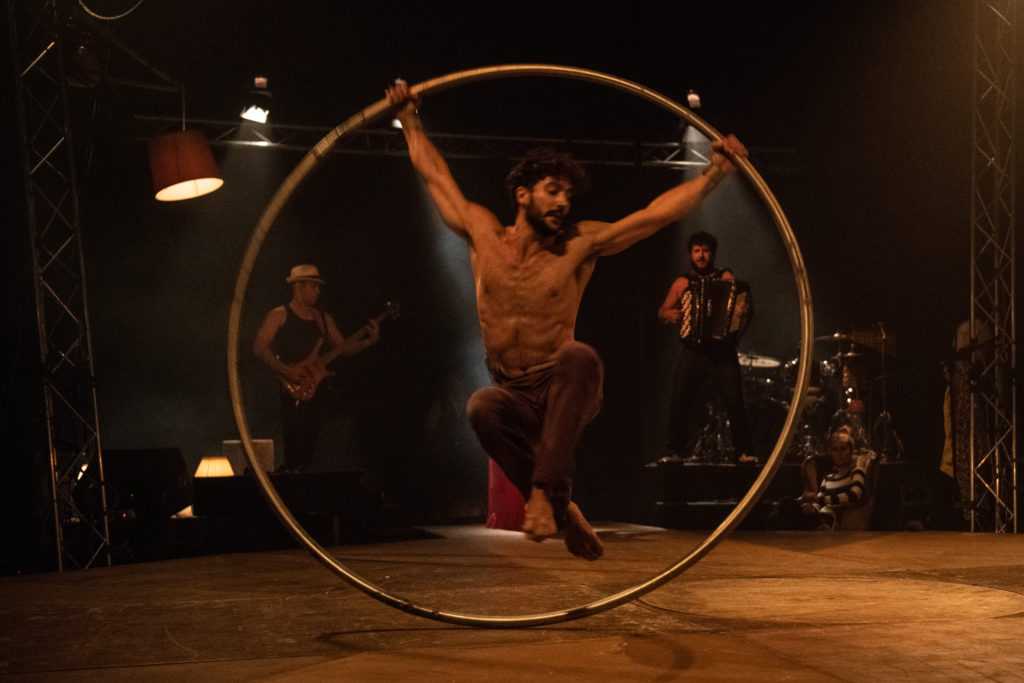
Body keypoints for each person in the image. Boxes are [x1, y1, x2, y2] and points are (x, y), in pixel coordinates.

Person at [386, 79, 747, 560]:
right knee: (480, 406)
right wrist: (409, 118)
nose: (563, 203)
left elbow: (652, 217)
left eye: (568, 195)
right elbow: (436, 177)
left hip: (564, 386)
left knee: (578, 355)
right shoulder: (482, 234)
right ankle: (563, 509)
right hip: (513, 392)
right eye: (553, 191)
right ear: (522, 194)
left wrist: (715, 173)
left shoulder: (579, 245)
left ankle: (544, 494)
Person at [253, 264, 380, 472]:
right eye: (314, 286)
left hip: (317, 388)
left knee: (312, 444)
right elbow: (259, 347)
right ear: (299, 287)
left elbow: (343, 348)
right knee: (294, 442)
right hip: (290, 387)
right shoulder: (278, 315)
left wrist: (369, 341)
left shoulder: (323, 318)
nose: (318, 291)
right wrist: (286, 370)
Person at [656, 231, 755, 464]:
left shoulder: (726, 276)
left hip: (722, 351)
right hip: (694, 350)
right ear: (691, 254)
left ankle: (743, 450)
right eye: (697, 251)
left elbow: (739, 306)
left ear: (713, 254)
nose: (701, 255)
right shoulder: (682, 283)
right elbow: (662, 311)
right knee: (679, 399)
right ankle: (674, 451)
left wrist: (740, 310)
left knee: (735, 401)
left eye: (706, 251)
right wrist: (669, 314)